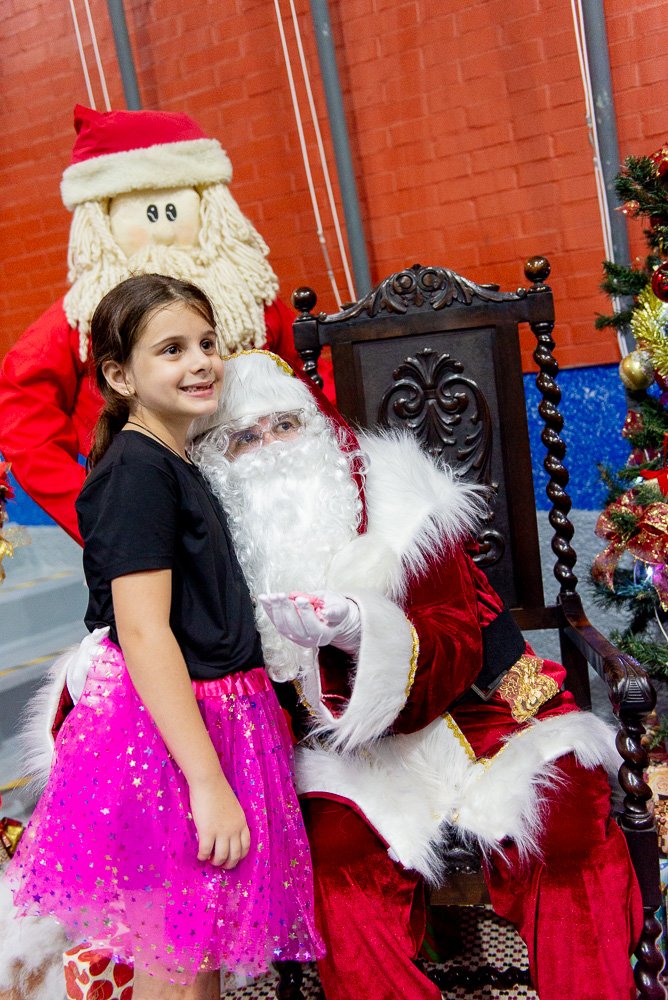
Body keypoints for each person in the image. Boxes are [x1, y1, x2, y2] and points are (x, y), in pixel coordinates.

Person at [189, 349, 644, 1000]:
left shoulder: (401, 503)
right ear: (219, 460)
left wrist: (363, 631)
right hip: (349, 757)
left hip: (486, 713)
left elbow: (458, 644)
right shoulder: (220, 548)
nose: (272, 450)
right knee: (338, 876)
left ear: (316, 427)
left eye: (284, 425)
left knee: (567, 834)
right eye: (245, 438)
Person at [4, 279, 322, 999]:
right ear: (120, 377)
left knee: (196, 949)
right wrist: (207, 782)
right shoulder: (137, 473)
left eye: (207, 344)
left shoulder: (175, 459)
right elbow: (144, 632)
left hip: (214, 719)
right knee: (174, 962)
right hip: (170, 738)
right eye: (172, 350)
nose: (201, 362)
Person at [0, 104, 333, 544]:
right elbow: (25, 419)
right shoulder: (84, 318)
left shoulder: (248, 299)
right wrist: (100, 511)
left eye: (174, 208)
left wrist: (327, 457)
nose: (162, 226)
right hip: (157, 509)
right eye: (146, 211)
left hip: (271, 497)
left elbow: (313, 376)